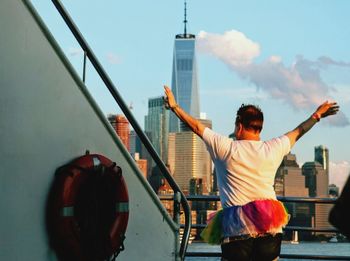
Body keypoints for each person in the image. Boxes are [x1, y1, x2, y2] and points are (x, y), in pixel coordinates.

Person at [163, 85, 339, 261]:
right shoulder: (273, 147)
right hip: (270, 230)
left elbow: (196, 126)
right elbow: (298, 132)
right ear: (259, 128)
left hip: (237, 233)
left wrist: (175, 107)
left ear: (239, 126)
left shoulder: (226, 147)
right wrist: (317, 116)